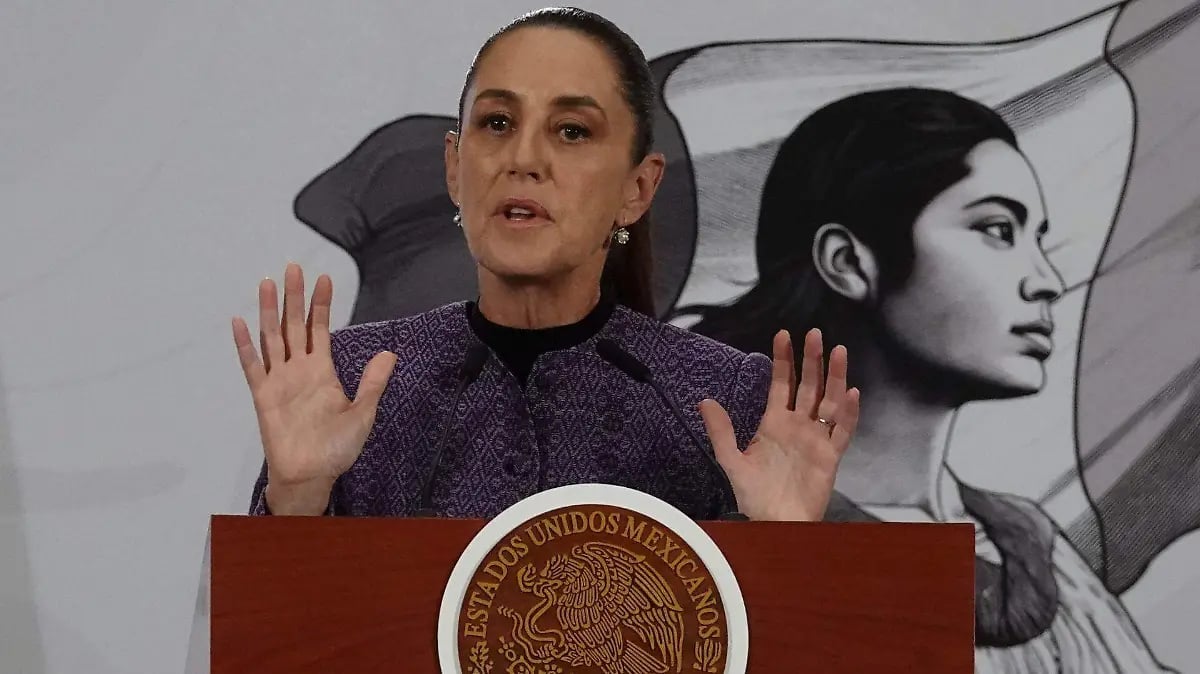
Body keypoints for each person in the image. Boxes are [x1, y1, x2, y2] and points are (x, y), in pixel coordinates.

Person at [231, 7, 860, 523]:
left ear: (637, 189)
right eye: (497, 122)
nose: (524, 158)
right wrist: (298, 497)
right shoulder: (353, 383)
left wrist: (786, 548)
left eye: (572, 131)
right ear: (454, 168)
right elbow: (268, 626)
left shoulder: (726, 401)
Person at [685, 87, 1174, 672]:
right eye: (998, 229)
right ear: (848, 262)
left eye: (1037, 238)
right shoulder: (715, 535)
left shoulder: (1030, 543)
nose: (1046, 280)